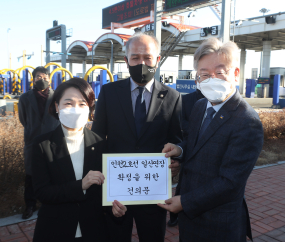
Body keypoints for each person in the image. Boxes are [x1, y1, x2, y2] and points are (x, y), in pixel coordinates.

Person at [159, 37, 264, 242]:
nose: (212, 79)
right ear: (197, 79)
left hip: (220, 224)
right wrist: (179, 150)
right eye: (204, 74)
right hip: (190, 220)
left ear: (235, 73)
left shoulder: (247, 121)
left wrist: (185, 202)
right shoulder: (200, 106)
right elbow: (195, 144)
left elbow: (230, 182)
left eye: (219, 72)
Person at [92, 32, 182, 242]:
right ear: (126, 61)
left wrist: (177, 160)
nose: (142, 63)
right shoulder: (109, 92)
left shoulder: (173, 97)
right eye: (135, 57)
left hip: (153, 192)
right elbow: (97, 138)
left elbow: (177, 140)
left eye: (148, 57)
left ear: (157, 60)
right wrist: (102, 181)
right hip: (117, 189)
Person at [32, 78, 107, 242]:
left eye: (82, 103)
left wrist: (116, 207)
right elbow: (42, 192)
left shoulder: (100, 143)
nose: (75, 109)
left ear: (89, 108)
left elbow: (106, 191)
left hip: (93, 230)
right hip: (55, 229)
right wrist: (81, 185)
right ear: (57, 106)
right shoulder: (41, 144)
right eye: (68, 103)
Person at [18, 66, 60, 219]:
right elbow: (23, 119)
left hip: (52, 140)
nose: (41, 80)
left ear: (49, 78)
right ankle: (30, 205)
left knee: (52, 173)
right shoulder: (25, 98)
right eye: (38, 77)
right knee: (30, 175)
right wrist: (32, 130)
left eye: (44, 77)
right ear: (33, 79)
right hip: (32, 140)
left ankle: (49, 202)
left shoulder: (57, 97)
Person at [167, 75, 205, 227]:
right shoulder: (186, 99)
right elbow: (180, 122)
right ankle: (174, 216)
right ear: (196, 81)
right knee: (183, 186)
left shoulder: (222, 102)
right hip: (189, 151)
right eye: (204, 76)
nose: (208, 81)